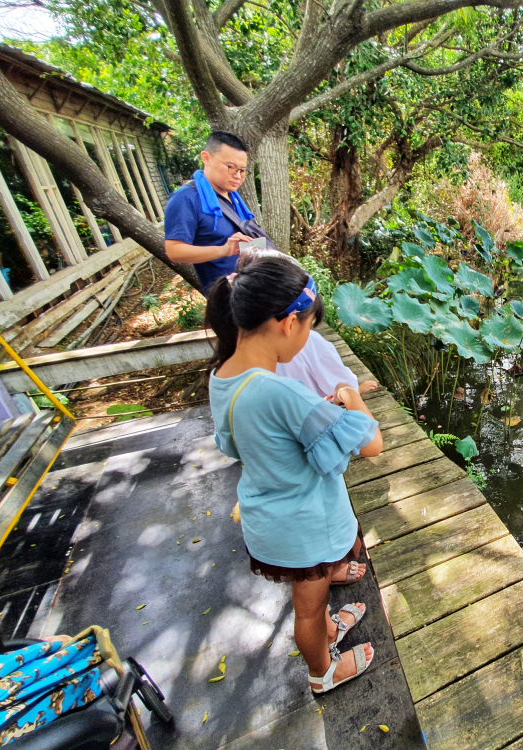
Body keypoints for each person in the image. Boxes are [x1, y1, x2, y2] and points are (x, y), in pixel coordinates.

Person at [205, 252, 382, 694]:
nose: (308, 337)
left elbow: (237, 440)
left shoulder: (223, 375)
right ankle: (323, 670)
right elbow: (370, 443)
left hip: (269, 516)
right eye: (308, 327)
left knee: (312, 596)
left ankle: (326, 630)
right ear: (287, 323)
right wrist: (349, 395)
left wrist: (310, 415)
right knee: (306, 606)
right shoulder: (282, 392)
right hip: (305, 526)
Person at [164, 131, 260, 295]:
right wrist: (224, 250)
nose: (237, 176)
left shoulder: (232, 197)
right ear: (206, 158)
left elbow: (237, 246)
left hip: (253, 287)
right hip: (228, 298)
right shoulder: (186, 198)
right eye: (230, 167)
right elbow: (174, 251)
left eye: (242, 170)